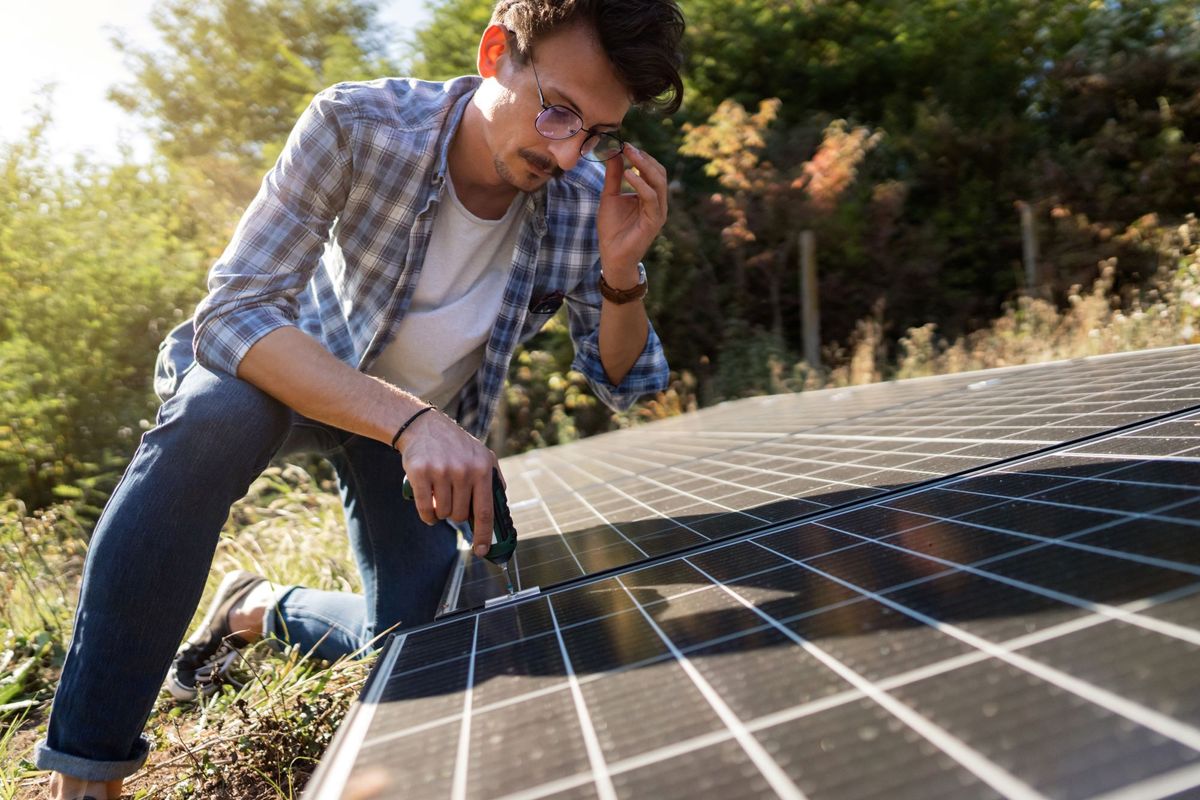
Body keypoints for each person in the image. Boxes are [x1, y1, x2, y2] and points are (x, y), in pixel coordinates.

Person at [36, 0, 684, 796]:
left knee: (423, 647)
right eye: (557, 111)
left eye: (597, 132)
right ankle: (87, 768)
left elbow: (628, 382)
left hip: (406, 438)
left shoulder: (585, 197)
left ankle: (258, 607)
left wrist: (622, 273)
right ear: (494, 54)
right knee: (215, 417)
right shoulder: (359, 122)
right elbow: (235, 312)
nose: (569, 149)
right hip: (295, 374)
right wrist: (412, 421)